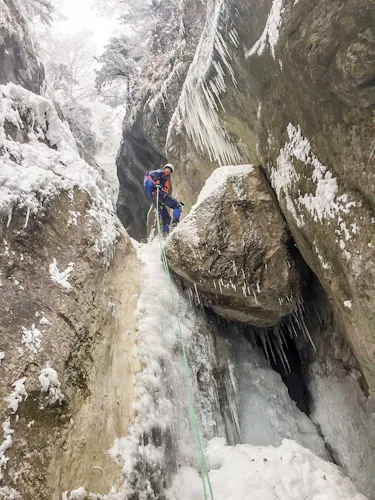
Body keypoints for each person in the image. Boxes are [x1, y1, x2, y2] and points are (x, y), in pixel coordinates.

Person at [143, 164, 183, 235]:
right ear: (164, 169)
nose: (168, 171)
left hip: (156, 200)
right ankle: (175, 224)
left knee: (166, 219)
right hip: (160, 194)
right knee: (178, 206)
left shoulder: (164, 179)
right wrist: (156, 181)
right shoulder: (160, 172)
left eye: (170, 170)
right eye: (167, 169)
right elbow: (152, 174)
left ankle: (165, 235)